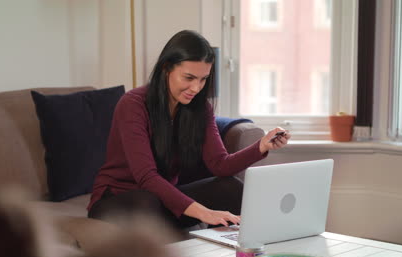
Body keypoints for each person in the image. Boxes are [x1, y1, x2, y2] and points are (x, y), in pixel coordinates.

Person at [87, 30, 291, 229]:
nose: (196, 88)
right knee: (148, 203)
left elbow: (220, 164)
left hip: (161, 200)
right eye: (189, 78)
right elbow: (146, 176)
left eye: (203, 79)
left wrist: (262, 146)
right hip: (116, 200)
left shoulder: (201, 108)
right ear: (167, 68)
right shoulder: (133, 104)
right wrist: (204, 212)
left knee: (231, 188)